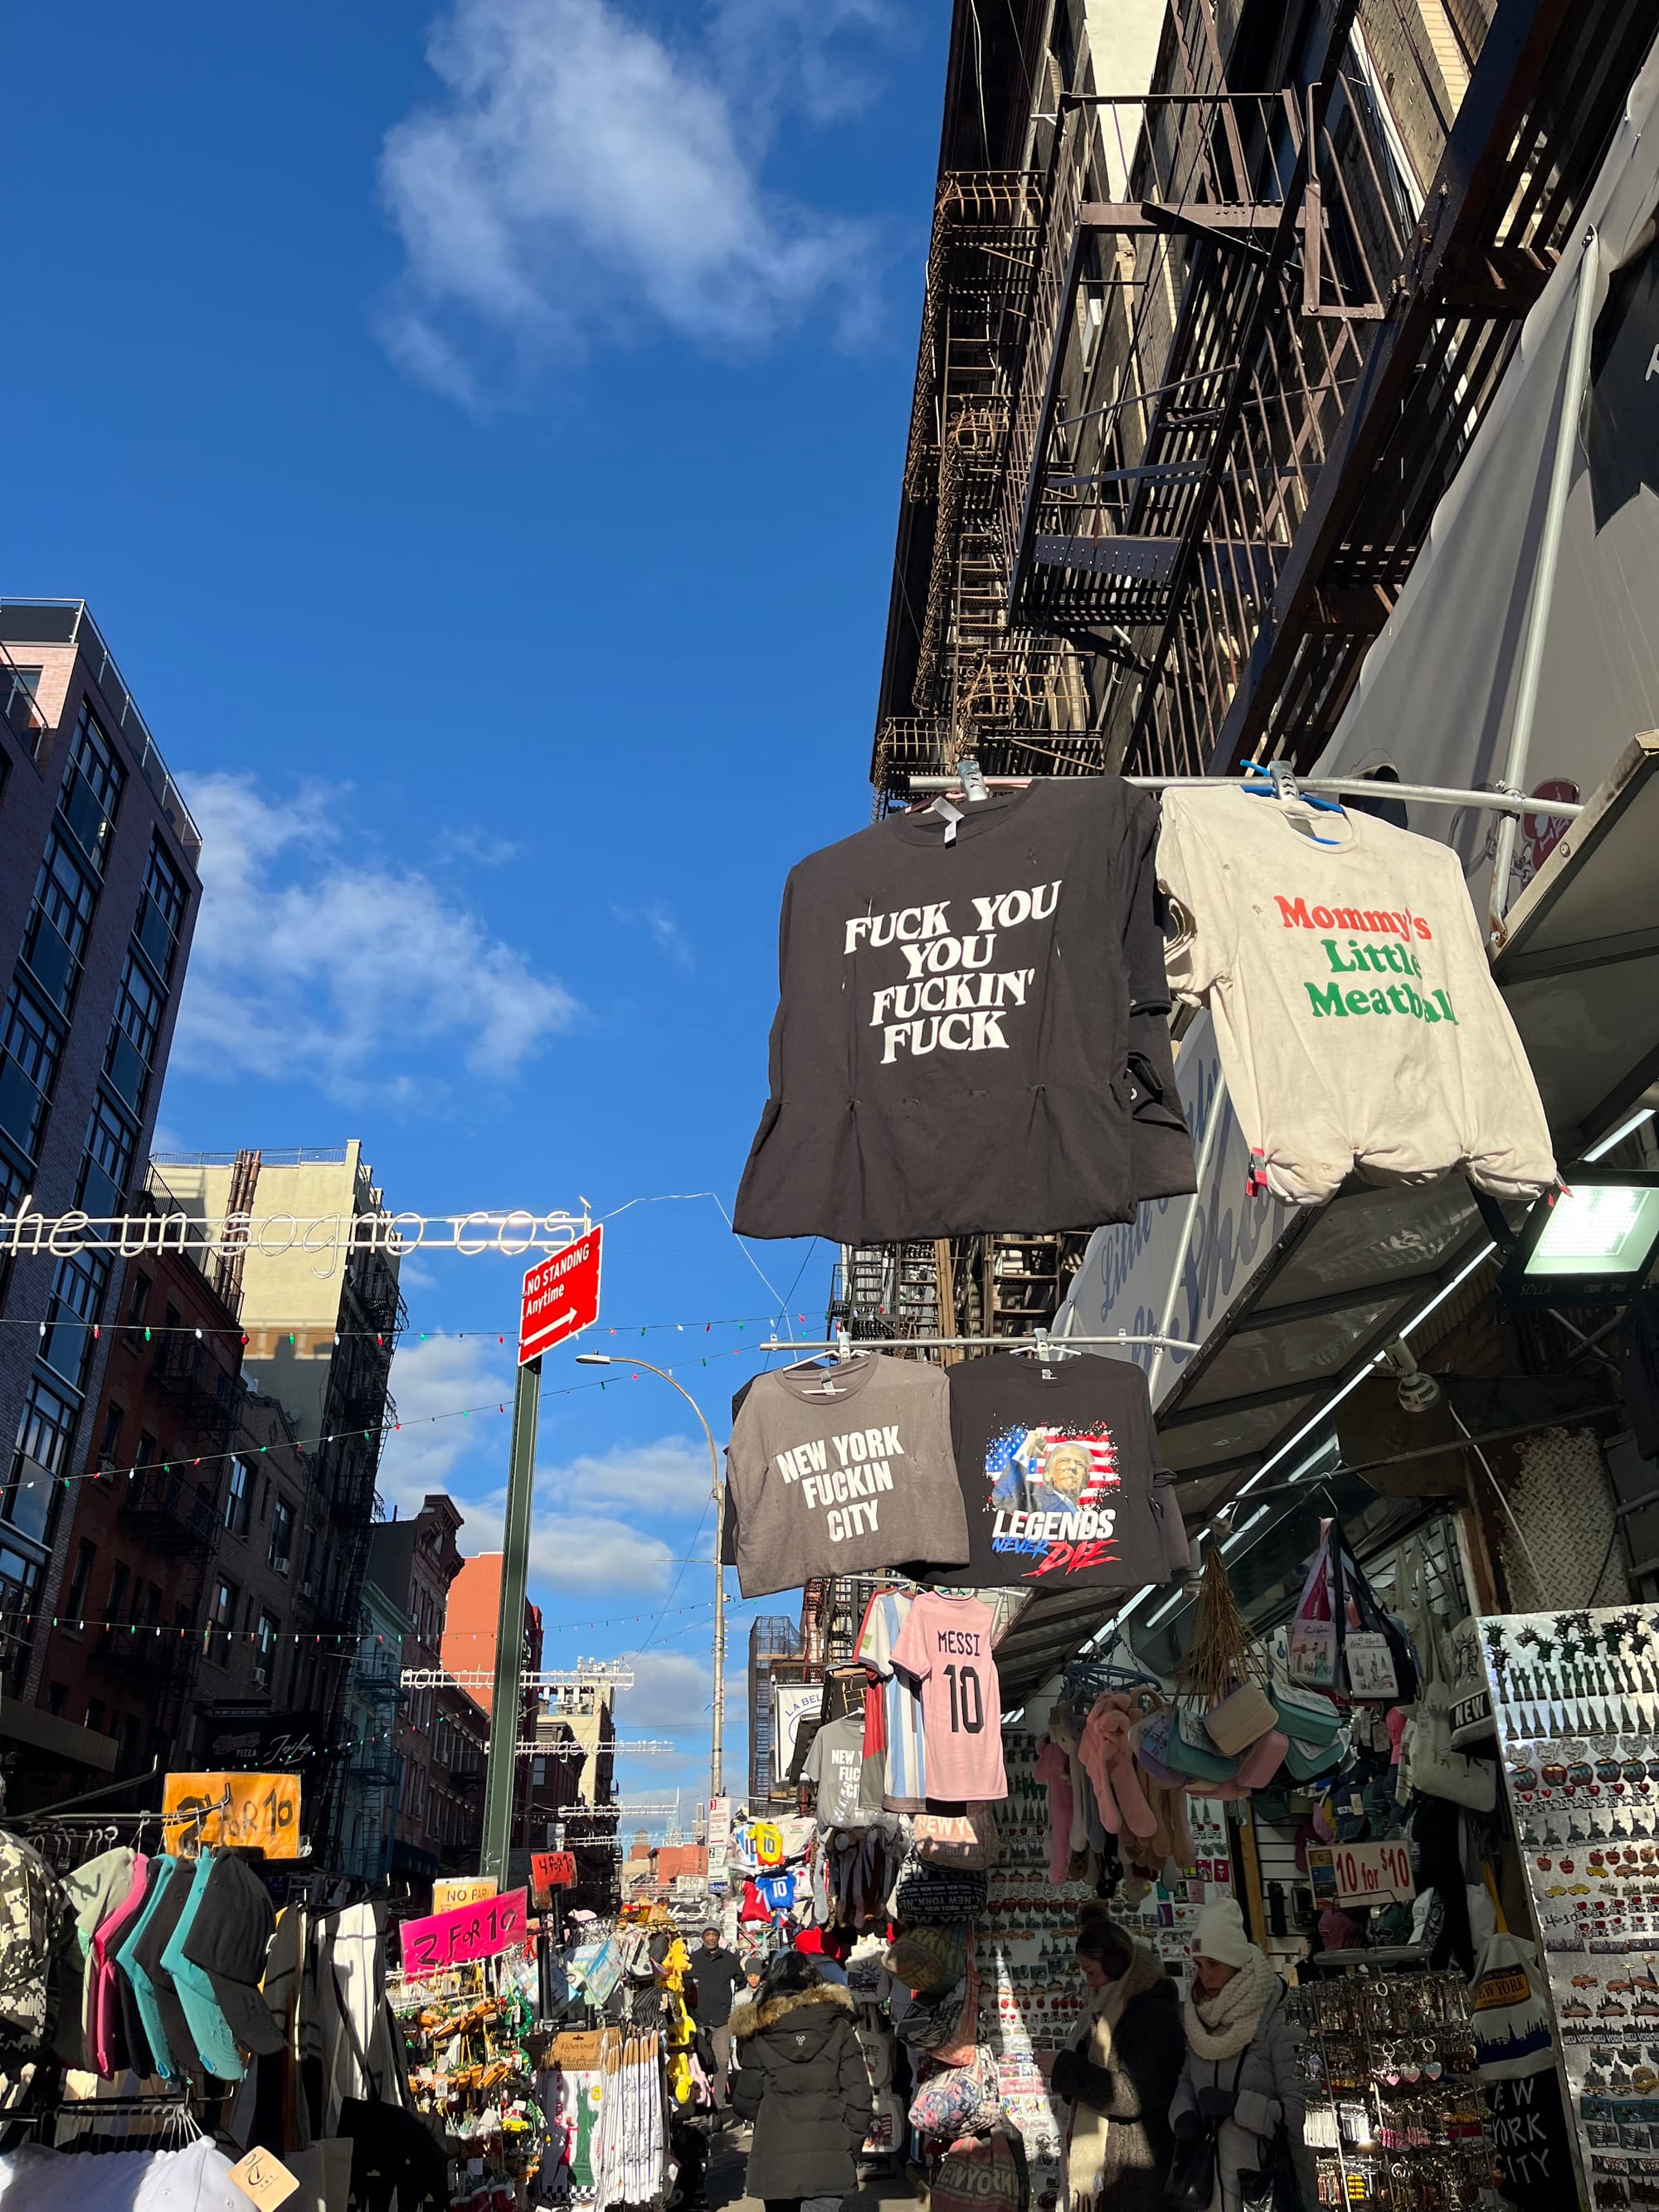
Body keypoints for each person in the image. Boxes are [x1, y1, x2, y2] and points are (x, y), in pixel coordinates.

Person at [1170, 1898, 1315, 2212]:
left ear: (1236, 1963)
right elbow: (1186, 2078)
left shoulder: (1278, 2016)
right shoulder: (1198, 2019)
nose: (1205, 1976)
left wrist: (1237, 2106)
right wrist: (1183, 2116)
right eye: (1199, 1964)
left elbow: (1304, 2114)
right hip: (1209, 2192)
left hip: (1264, 2191)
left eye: (1214, 1964)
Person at [1035, 1909, 1184, 2212]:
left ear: (1116, 1963)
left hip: (1135, 2169)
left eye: (1092, 1972)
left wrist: (1064, 2067)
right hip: (1113, 2168)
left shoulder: (1153, 2014)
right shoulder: (1107, 2010)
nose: (1089, 1983)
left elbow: (1129, 2096)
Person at [730, 1952, 873, 2212]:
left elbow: (744, 2103)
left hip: (775, 2160)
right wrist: (849, 2143)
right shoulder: (838, 2027)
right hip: (829, 2156)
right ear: (815, 1984)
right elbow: (860, 2096)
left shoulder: (759, 2035)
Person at [688, 1926, 746, 2107]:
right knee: (701, 2063)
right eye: (708, 1935)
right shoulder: (693, 1959)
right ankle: (702, 2102)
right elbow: (684, 1985)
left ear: (718, 1937)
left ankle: (718, 2104)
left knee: (722, 2062)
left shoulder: (729, 1959)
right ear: (703, 1937)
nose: (711, 1938)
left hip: (722, 2020)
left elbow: (741, 1980)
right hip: (698, 2020)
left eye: (714, 1935)